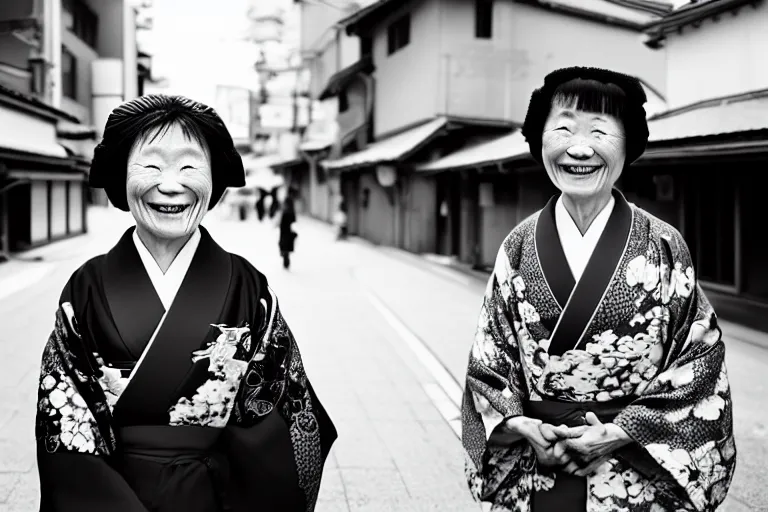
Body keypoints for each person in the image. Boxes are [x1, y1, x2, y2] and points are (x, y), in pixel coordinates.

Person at [35, 95, 337, 512]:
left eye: (189, 166)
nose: (171, 184)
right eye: (152, 165)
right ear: (121, 176)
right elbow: (66, 425)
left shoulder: (248, 287)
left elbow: (282, 416)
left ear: (214, 180)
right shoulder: (86, 288)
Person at [461, 67, 736, 512]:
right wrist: (522, 426)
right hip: (541, 466)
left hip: (633, 469)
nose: (580, 147)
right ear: (540, 140)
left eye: (600, 131)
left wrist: (620, 433)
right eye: (564, 128)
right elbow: (488, 362)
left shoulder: (664, 245)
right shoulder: (518, 245)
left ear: (628, 145)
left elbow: (701, 362)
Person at [278, 187, 297, 269]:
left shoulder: (288, 200)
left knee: (285, 241)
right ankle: (285, 257)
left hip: (285, 224)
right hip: (287, 223)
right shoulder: (289, 201)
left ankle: (284, 256)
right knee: (286, 241)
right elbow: (291, 213)